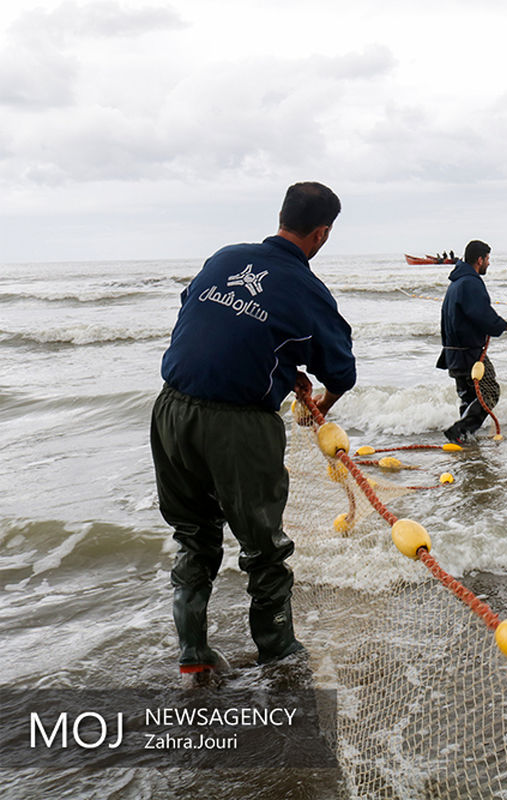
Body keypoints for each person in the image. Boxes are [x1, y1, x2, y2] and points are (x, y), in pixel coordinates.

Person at [150, 182, 356, 674]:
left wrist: (275, 358)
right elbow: (341, 370)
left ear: (281, 216)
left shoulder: (225, 258)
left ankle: (193, 653)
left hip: (170, 410)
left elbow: (195, 312)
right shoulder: (306, 289)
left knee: (194, 535)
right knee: (264, 547)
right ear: (322, 233)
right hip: (238, 426)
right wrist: (319, 402)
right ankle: (277, 651)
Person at [437, 240, 507, 443]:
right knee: (490, 392)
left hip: (453, 353)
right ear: (479, 260)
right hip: (469, 353)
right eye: (487, 259)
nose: (488, 263)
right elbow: (482, 315)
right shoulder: (471, 282)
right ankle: (460, 431)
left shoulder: (456, 283)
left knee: (468, 396)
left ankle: (465, 437)